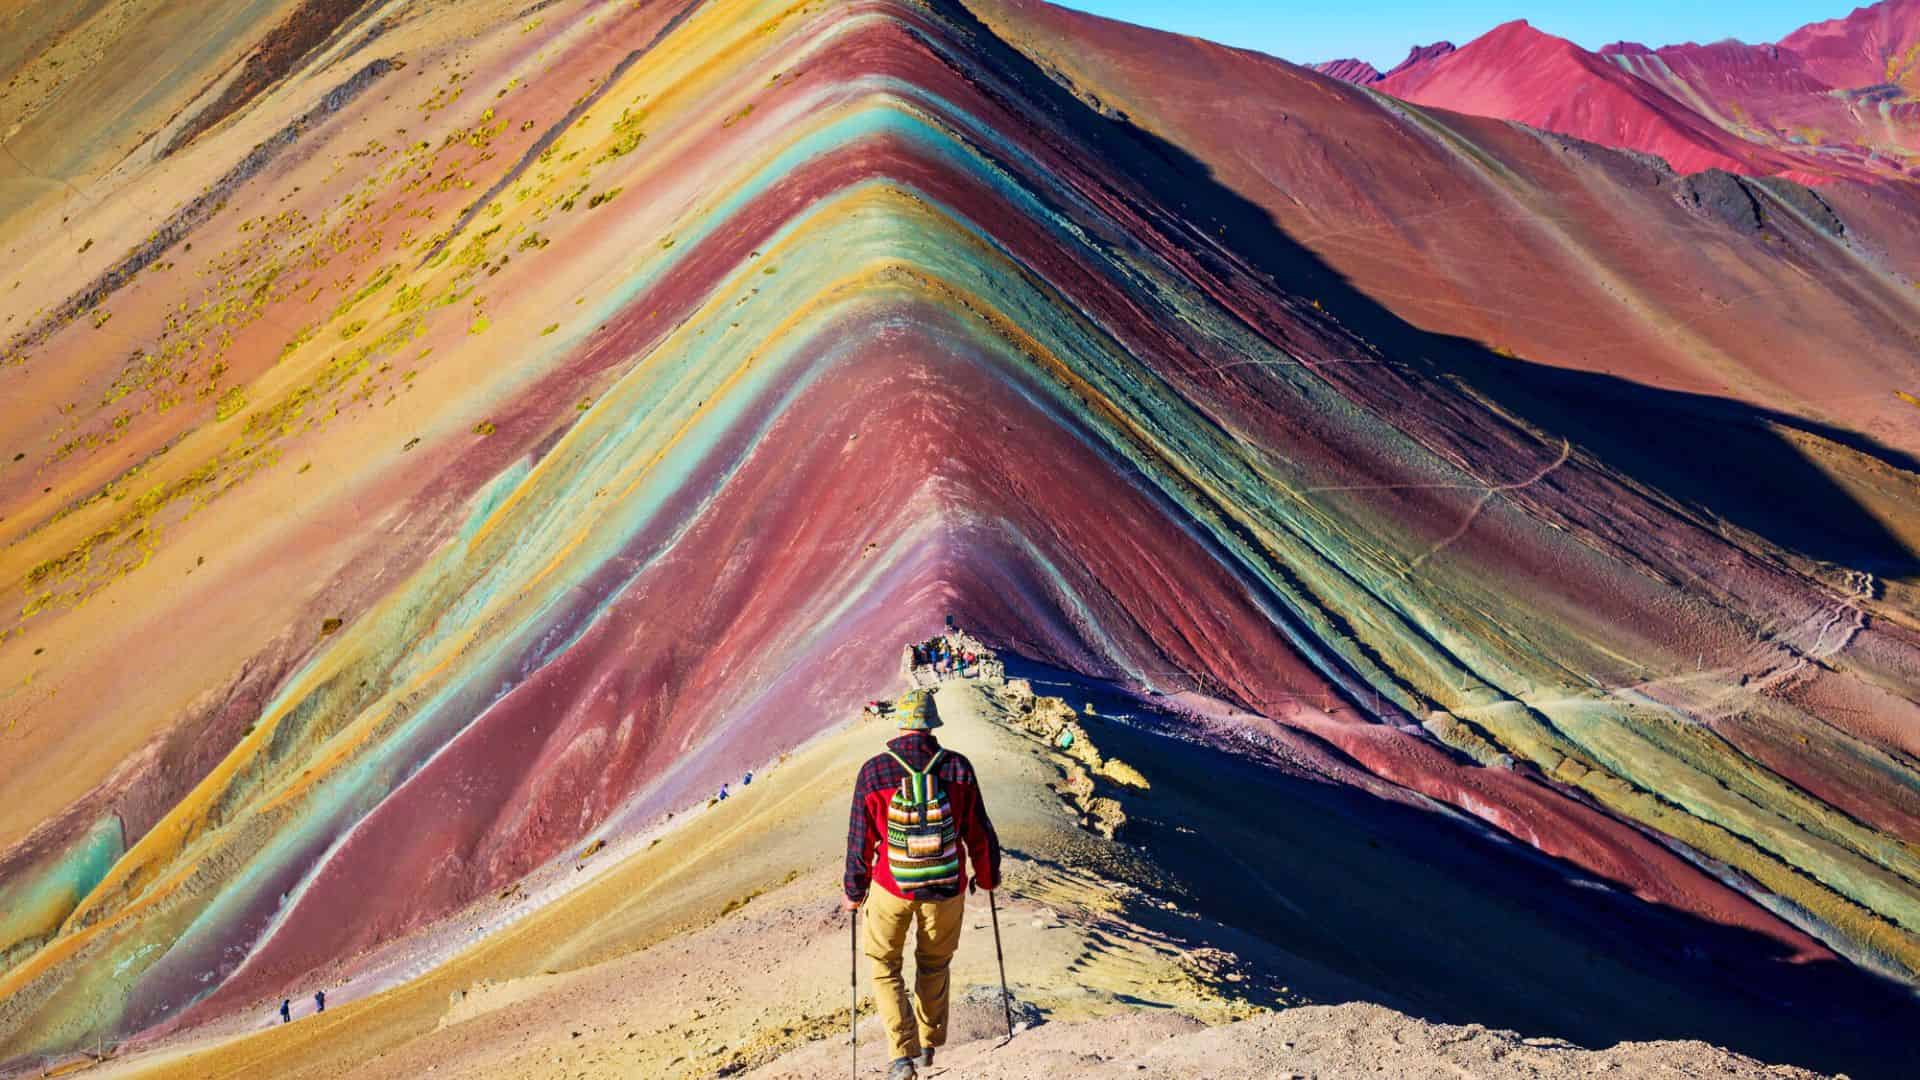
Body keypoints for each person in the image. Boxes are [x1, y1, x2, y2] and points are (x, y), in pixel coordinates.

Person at [843, 690, 1001, 1080]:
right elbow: (978, 832)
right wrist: (986, 877)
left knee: (883, 965)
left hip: (891, 889)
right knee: (934, 964)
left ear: (900, 722)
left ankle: (902, 1057)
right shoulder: (958, 768)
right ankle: (929, 1044)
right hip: (947, 889)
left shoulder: (874, 771)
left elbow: (859, 840)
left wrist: (853, 891)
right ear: (932, 724)